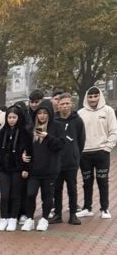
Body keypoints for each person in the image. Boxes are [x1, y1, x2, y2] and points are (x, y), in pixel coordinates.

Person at [20, 103, 63, 232]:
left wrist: (47, 137)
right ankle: (29, 219)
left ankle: (44, 219)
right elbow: (26, 147)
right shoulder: (31, 128)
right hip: (34, 169)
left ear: (49, 113)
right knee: (30, 194)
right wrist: (23, 155)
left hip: (49, 169)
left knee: (47, 196)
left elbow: (61, 145)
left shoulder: (56, 126)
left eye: (45, 113)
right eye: (39, 113)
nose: (42, 116)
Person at [77, 86, 117, 219]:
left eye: (95, 96)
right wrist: (79, 150)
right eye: (90, 96)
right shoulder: (80, 113)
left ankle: (104, 209)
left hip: (101, 153)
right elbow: (77, 134)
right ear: (86, 98)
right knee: (86, 182)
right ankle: (87, 208)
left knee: (103, 181)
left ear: (100, 96)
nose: (93, 99)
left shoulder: (108, 111)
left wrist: (107, 148)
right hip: (85, 154)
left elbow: (114, 131)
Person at [0, 105, 32, 232]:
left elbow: (29, 152)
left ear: (19, 118)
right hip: (4, 169)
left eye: (14, 117)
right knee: (4, 196)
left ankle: (13, 218)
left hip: (18, 169)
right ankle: (4, 218)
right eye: (9, 117)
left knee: (16, 195)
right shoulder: (2, 133)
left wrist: (26, 168)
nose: (12, 120)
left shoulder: (24, 133)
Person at [51, 94, 85, 225]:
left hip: (71, 162)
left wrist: (75, 154)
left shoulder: (77, 120)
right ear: (58, 106)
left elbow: (81, 141)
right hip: (57, 161)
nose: (64, 106)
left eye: (67, 103)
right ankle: (57, 214)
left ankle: (73, 215)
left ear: (71, 104)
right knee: (57, 189)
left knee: (72, 189)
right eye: (62, 104)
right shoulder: (54, 121)